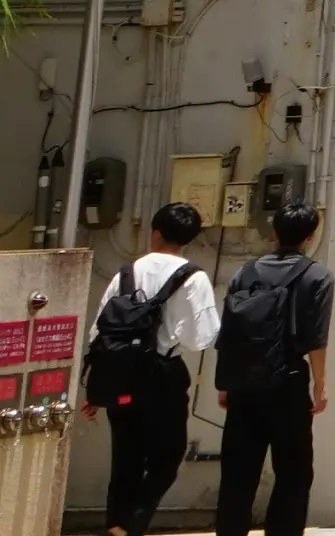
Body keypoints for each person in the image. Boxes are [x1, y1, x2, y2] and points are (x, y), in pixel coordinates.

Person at [88, 201, 218, 536]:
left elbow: (98, 330)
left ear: (154, 233)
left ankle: (117, 524)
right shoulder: (193, 277)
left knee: (125, 459)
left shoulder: (126, 273)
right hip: (164, 375)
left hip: (118, 372)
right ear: (186, 239)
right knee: (167, 457)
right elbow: (199, 338)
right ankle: (131, 526)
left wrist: (94, 384)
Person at [215, 199, 334, 536]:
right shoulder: (318, 275)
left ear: (274, 232)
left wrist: (225, 382)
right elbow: (316, 336)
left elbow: (230, 330)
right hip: (289, 382)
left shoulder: (245, 272)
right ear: (310, 236)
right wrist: (320, 384)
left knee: (238, 473)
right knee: (294, 472)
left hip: (243, 383)